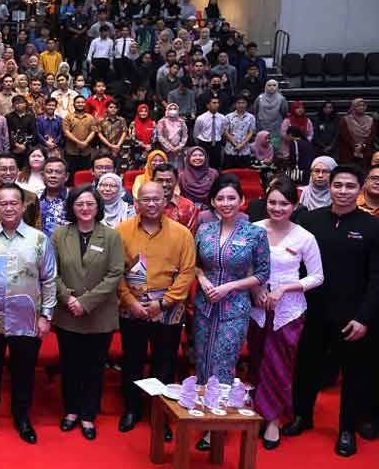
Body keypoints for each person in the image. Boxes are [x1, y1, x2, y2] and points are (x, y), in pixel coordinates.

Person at [286, 165, 379, 457]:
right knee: (306, 367)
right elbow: (296, 264)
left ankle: (347, 429)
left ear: (360, 188)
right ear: (330, 186)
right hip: (311, 311)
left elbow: (377, 278)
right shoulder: (310, 220)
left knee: (353, 374)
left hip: (352, 316)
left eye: (350, 186)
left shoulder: (372, 227)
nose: (343, 191)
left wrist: (364, 318)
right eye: (338, 185)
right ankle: (302, 415)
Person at [0, 184, 57, 444]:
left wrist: (46, 316)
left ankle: (22, 417)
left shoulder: (39, 239)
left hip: (27, 318)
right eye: (3, 203)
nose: (8, 207)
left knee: (24, 370)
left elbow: (49, 279)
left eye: (13, 203)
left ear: (22, 205)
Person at [192, 175, 270, 450]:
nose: (226, 203)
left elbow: (262, 274)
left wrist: (230, 287)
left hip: (235, 307)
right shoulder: (204, 231)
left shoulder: (255, 233)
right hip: (204, 305)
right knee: (202, 360)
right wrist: (201, 280)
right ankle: (202, 417)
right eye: (220, 198)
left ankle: (217, 427)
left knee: (223, 363)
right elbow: (194, 263)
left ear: (242, 200)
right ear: (212, 202)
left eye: (231, 198)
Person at [246, 177, 324, 449]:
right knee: (257, 360)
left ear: (294, 205)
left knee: (279, 364)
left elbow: (317, 277)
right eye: (273, 202)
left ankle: (273, 419)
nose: (277, 208)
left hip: (288, 310)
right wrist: (256, 292)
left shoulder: (304, 237)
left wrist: (285, 289)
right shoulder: (252, 230)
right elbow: (244, 267)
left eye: (284, 204)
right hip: (257, 307)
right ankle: (257, 411)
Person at [115, 181, 196, 436]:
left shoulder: (182, 233)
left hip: (168, 309)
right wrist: (131, 303)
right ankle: (132, 409)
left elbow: (187, 273)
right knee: (132, 361)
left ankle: (160, 415)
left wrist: (163, 303)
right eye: (145, 199)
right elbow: (116, 273)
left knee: (165, 363)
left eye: (156, 199)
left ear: (166, 201)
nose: (151, 204)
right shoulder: (122, 231)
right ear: (136, 203)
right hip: (133, 306)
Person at [51, 185, 124, 440]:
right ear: (72, 206)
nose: (85, 208)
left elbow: (115, 273)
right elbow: (52, 272)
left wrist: (86, 302)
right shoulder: (60, 234)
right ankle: (71, 411)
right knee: (70, 365)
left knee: (94, 368)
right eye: (79, 204)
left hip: (98, 314)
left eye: (90, 204)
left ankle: (88, 415)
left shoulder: (111, 236)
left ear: (98, 207)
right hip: (68, 312)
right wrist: (69, 298)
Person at [338, 98, 375, 170]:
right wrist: (356, 147)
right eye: (358, 105)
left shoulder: (371, 120)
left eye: (363, 105)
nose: (361, 107)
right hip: (348, 152)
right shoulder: (345, 120)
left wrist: (363, 145)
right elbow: (345, 136)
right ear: (353, 107)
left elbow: (372, 136)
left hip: (365, 152)